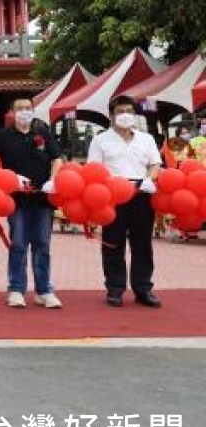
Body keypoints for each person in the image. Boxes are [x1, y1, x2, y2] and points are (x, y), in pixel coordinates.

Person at [86, 94, 163, 308]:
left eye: (129, 111)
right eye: (120, 112)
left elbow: (155, 164)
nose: (125, 115)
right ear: (111, 116)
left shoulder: (146, 139)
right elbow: (94, 170)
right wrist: (112, 185)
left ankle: (143, 288)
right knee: (113, 243)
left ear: (135, 114)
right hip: (113, 195)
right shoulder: (100, 140)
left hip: (141, 193)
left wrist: (149, 180)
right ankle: (115, 289)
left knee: (143, 244)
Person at [0, 96, 64, 309]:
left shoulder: (43, 134)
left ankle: (44, 291)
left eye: (28, 108)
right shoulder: (1, 136)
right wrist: (11, 179)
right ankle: (16, 289)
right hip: (16, 201)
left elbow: (57, 158)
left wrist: (53, 179)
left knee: (42, 245)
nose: (24, 111)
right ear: (12, 113)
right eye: (19, 108)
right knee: (19, 245)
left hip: (43, 200)